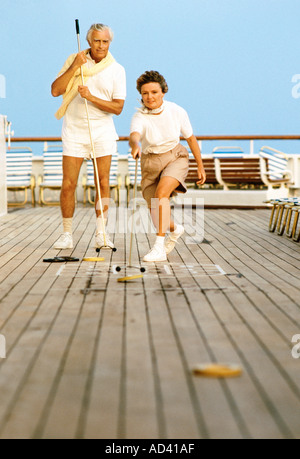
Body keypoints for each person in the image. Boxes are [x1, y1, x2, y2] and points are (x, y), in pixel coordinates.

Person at [51, 23, 126, 249]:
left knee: (102, 183)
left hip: (102, 132)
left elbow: (117, 107)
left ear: (109, 42)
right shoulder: (75, 60)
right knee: (68, 184)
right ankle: (66, 234)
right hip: (74, 130)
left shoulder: (117, 69)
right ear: (88, 41)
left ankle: (101, 233)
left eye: (105, 41)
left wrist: (91, 97)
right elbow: (55, 90)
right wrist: (75, 65)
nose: (101, 45)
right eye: (96, 41)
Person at [129, 70, 206, 262]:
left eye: (154, 92)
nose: (150, 97)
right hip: (150, 161)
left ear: (163, 92)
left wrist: (200, 166)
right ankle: (175, 229)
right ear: (141, 95)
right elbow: (135, 135)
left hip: (175, 157)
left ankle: (158, 248)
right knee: (155, 209)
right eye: (145, 93)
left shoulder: (177, 111)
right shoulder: (139, 116)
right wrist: (135, 145)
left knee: (161, 195)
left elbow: (190, 138)